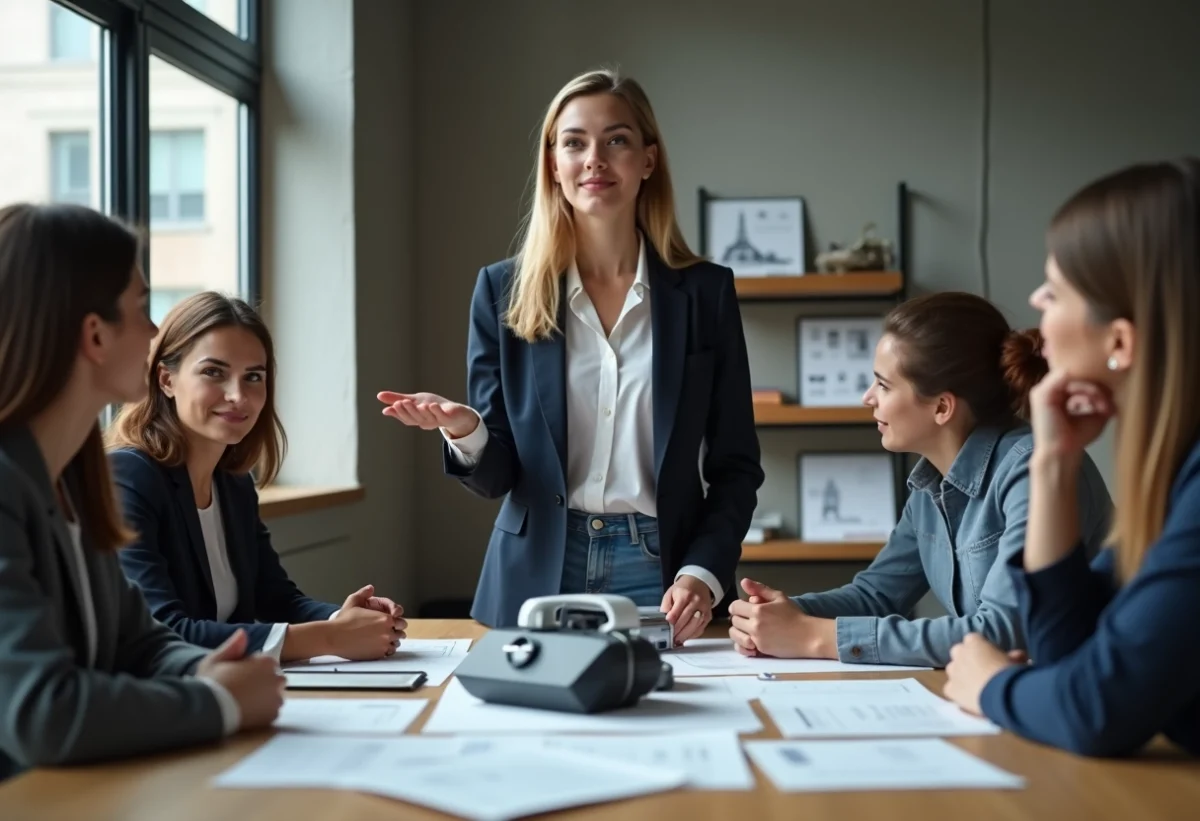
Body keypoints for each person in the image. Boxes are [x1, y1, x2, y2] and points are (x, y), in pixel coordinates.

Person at [377, 68, 764, 637]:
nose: (595, 159)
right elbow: (498, 477)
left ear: (648, 160)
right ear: (553, 164)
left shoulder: (706, 293)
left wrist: (703, 573)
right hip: (536, 575)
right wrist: (467, 432)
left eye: (617, 140)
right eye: (575, 142)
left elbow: (736, 465)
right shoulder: (501, 291)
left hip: (665, 578)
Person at [0, 204, 284, 781]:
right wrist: (221, 701)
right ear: (95, 334)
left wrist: (208, 669)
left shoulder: (77, 478)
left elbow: (143, 644)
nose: (155, 332)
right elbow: (42, 713)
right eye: (140, 308)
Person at [944, 158, 1200, 757]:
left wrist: (993, 686)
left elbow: (1096, 708)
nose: (1035, 301)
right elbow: (1071, 651)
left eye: (1054, 290)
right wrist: (1054, 462)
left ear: (1119, 341)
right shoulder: (1177, 475)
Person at [728, 292, 1112, 667]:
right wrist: (783, 614)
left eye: (883, 385)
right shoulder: (931, 485)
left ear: (942, 407)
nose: (867, 398)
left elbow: (1003, 631)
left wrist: (814, 637)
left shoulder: (1032, 469)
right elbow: (875, 595)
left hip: (1088, 693)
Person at [106, 292, 406, 662]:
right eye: (213, 372)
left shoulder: (233, 482)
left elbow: (276, 598)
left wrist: (344, 619)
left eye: (253, 377)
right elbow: (163, 631)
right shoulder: (128, 475)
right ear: (166, 379)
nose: (238, 395)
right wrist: (329, 638)